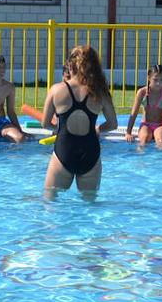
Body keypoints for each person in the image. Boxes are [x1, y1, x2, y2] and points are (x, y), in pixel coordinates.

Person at [42, 45, 118, 200]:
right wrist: (98, 128)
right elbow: (113, 124)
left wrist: (58, 128)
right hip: (90, 151)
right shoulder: (100, 92)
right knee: (89, 206)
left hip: (64, 150)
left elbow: (45, 123)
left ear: (70, 65)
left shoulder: (57, 90)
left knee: (50, 203)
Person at [125, 64, 162, 146]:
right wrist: (128, 132)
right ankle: (140, 158)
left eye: (161, 80)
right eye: (155, 80)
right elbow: (134, 113)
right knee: (143, 140)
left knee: (160, 140)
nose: (158, 83)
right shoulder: (142, 92)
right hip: (145, 124)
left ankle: (161, 159)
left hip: (160, 125)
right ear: (148, 78)